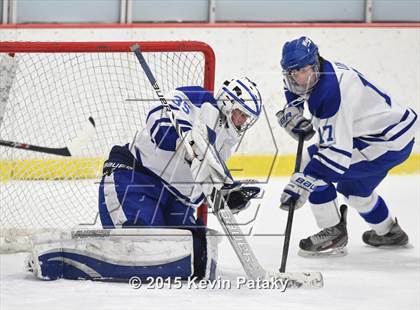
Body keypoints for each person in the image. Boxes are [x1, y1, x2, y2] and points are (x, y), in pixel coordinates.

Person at [98, 77, 263, 277]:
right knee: (147, 250)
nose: (242, 121)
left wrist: (227, 193)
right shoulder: (201, 101)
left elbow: (202, 182)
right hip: (135, 178)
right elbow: (157, 117)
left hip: (174, 199)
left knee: (197, 253)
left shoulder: (226, 141)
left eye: (246, 118)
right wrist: (181, 141)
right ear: (228, 103)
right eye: (241, 114)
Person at [276, 36, 417, 256]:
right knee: (356, 192)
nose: (298, 78)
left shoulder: (331, 93)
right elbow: (293, 90)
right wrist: (294, 111)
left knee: (310, 164)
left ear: (314, 64)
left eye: (303, 71)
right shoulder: (318, 71)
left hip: (384, 142)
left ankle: (333, 232)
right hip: (385, 135)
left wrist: (301, 184)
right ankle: (389, 232)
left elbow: (335, 158)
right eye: (293, 72)